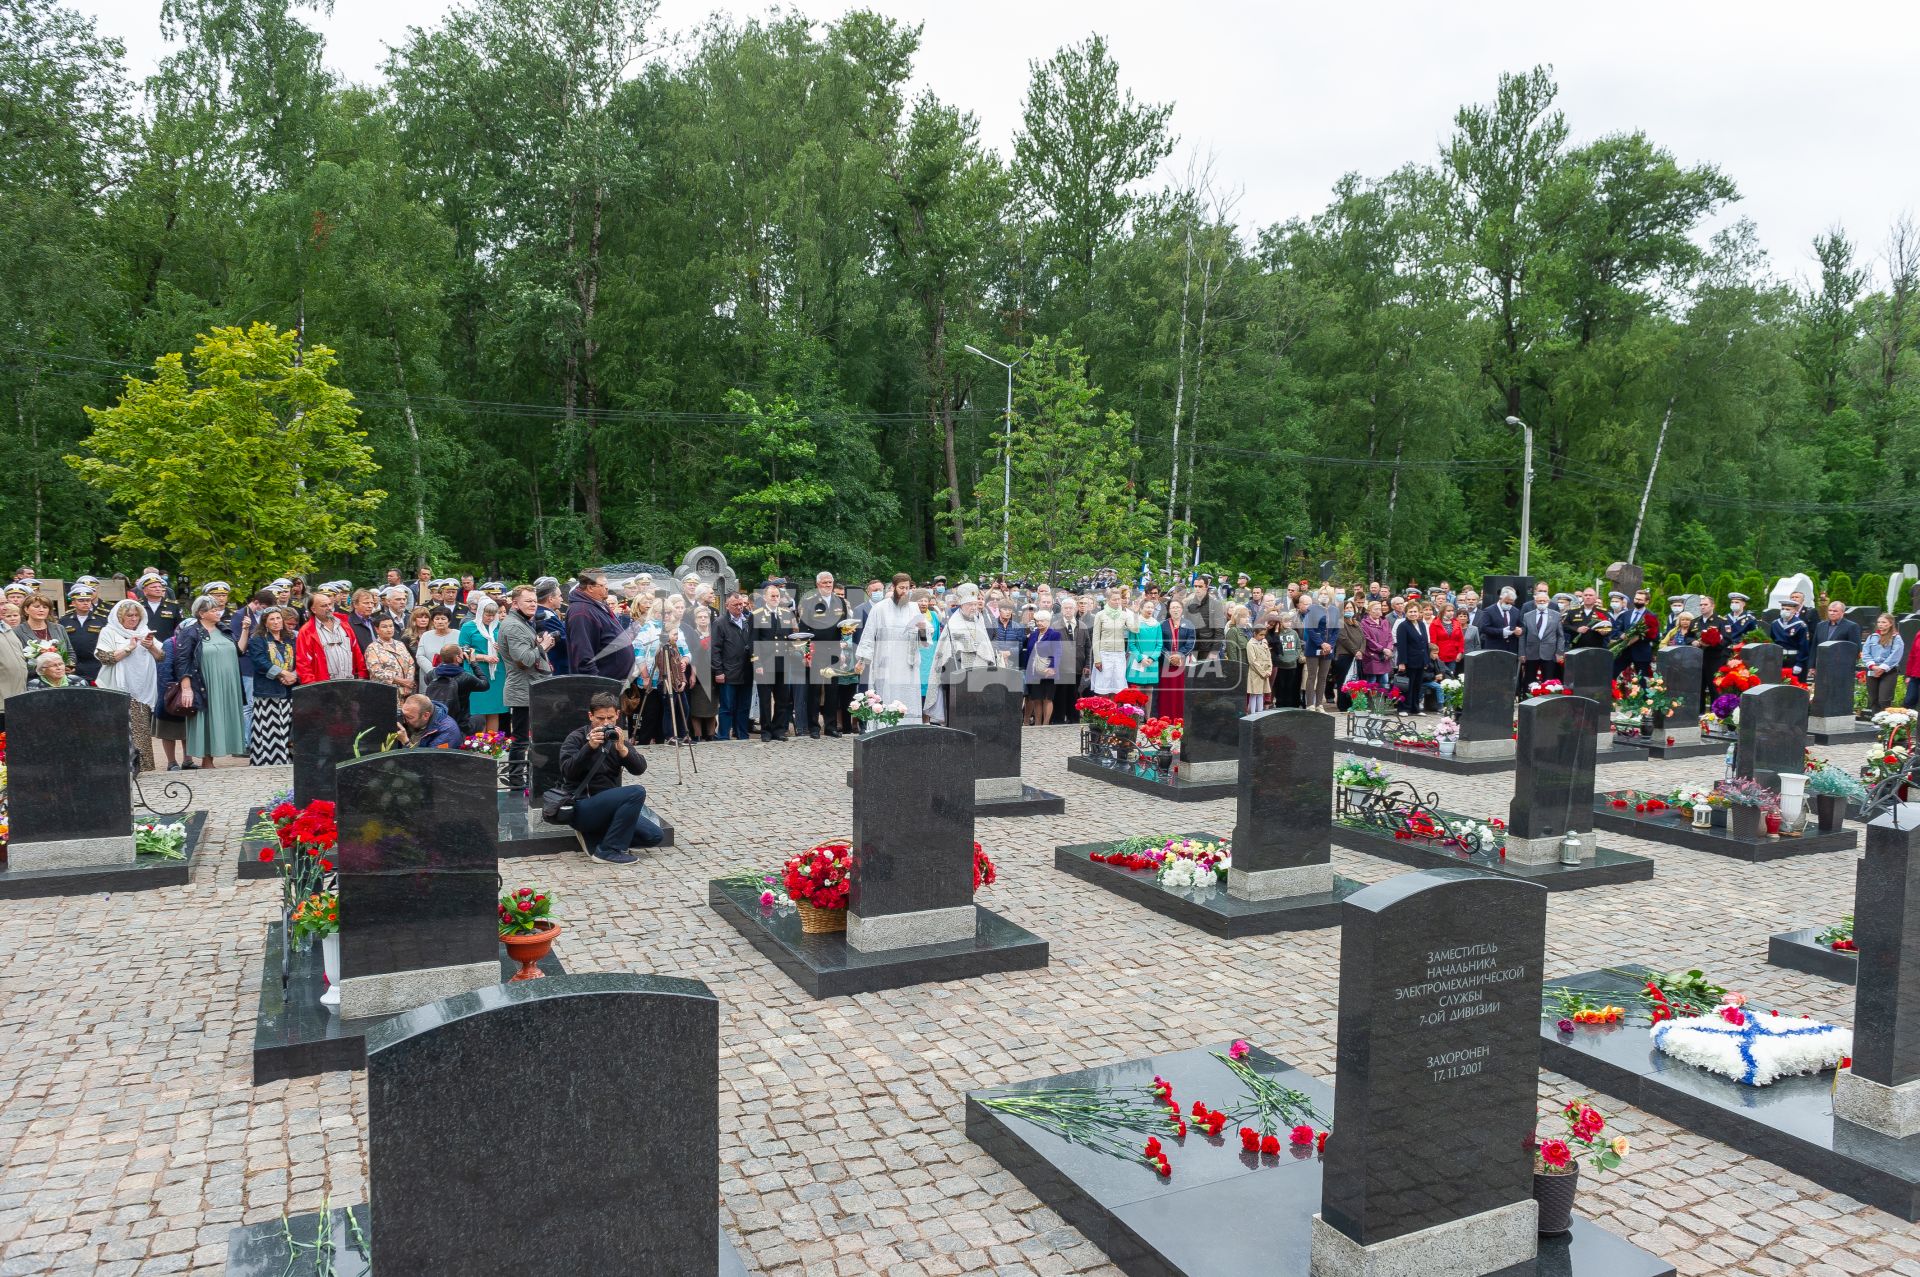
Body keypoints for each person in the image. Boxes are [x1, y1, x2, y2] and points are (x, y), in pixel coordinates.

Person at [557, 692, 662, 865]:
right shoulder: (576, 738)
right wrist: (589, 747)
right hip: (583, 805)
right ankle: (608, 850)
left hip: (610, 807)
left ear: (618, 715)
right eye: (600, 718)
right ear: (590, 716)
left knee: (654, 835)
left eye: (610, 718)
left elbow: (640, 769)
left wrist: (622, 749)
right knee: (636, 792)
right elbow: (568, 772)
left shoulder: (616, 737)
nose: (606, 723)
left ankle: (601, 838)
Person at [174, 594, 246, 768]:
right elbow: (182, 661)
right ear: (201, 613)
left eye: (218, 609)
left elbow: (239, 651)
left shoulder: (224, 629)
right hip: (205, 683)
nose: (218, 612)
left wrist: (245, 630)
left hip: (228, 684)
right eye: (213, 610)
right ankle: (207, 759)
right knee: (208, 718)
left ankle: (219, 754)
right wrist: (186, 688)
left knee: (224, 717)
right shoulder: (190, 632)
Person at [94, 599, 164, 769]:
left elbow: (161, 656)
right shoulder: (109, 632)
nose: (134, 619)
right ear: (119, 617)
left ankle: (144, 767)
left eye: (136, 616)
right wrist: (128, 648)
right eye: (129, 616)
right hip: (118, 689)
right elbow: (105, 658)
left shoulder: (145, 631)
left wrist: (151, 647)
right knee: (120, 729)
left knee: (141, 729)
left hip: (142, 689)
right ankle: (121, 768)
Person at [854, 574, 932, 724]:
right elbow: (869, 634)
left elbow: (926, 637)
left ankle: (908, 728)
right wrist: (862, 660)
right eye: (901, 588)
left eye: (907, 588)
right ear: (893, 588)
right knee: (886, 697)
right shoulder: (879, 608)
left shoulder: (914, 608)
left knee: (907, 698)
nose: (904, 591)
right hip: (886, 663)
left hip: (907, 665)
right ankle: (884, 729)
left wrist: (922, 629)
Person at [500, 584, 554, 785]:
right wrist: (543, 646)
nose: (533, 605)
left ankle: (523, 775)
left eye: (534, 601)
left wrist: (539, 645)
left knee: (526, 737)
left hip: (530, 687)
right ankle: (515, 779)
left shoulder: (521, 621)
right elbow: (523, 660)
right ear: (515, 603)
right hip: (523, 689)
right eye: (528, 601)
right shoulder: (514, 625)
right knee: (521, 738)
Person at [797, 571, 852, 738]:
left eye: (830, 582)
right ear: (818, 584)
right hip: (815, 650)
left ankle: (831, 726)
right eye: (825, 583)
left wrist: (843, 649)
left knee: (832, 691)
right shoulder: (809, 603)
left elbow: (844, 628)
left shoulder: (841, 602)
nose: (828, 585)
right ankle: (813, 727)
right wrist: (806, 653)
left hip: (834, 650)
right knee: (814, 690)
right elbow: (803, 630)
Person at [245, 605, 298, 766]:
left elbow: (300, 658)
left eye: (278, 618)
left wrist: (293, 675)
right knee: (270, 730)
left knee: (288, 728)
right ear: (265, 623)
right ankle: (269, 761)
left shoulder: (291, 638)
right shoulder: (258, 639)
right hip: (268, 691)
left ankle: (288, 758)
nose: (276, 622)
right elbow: (260, 662)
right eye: (272, 619)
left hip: (290, 690)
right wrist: (282, 674)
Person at [566, 569, 634, 683]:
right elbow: (583, 655)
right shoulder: (581, 612)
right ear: (590, 587)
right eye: (603, 585)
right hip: (601, 688)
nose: (607, 587)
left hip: (613, 683)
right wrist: (596, 688)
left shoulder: (598, 605)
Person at [295, 590, 367, 684]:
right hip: (324, 686)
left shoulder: (345, 624)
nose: (329, 608)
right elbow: (303, 663)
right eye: (324, 606)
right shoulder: (306, 631)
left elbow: (356, 652)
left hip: (349, 682)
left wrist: (362, 675)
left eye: (330, 604)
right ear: (313, 609)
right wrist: (311, 687)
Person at [711, 591, 755, 740]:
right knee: (727, 707)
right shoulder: (720, 623)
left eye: (741, 604)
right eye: (735, 604)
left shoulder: (749, 620)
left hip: (747, 670)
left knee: (744, 706)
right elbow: (715, 649)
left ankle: (742, 734)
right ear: (727, 605)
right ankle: (723, 735)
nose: (739, 607)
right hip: (728, 671)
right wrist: (718, 671)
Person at [460, 594, 506, 733]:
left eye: (493, 615)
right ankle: (479, 745)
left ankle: (493, 744)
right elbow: (464, 651)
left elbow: (509, 649)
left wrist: (502, 648)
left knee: (494, 709)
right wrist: (485, 657)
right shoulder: (469, 627)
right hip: (476, 672)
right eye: (487, 615)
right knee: (478, 710)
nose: (490, 618)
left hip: (497, 673)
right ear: (480, 612)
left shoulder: (501, 626)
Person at [1088, 586, 1137, 696]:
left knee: (1118, 688)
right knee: (1103, 689)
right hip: (1104, 655)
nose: (1117, 602)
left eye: (1119, 599)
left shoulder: (1124, 615)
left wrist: (1135, 614)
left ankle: (1115, 713)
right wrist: (1097, 659)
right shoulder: (1100, 615)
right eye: (1114, 599)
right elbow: (1095, 638)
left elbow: (1135, 629)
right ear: (1108, 600)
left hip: (1119, 655)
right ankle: (1102, 712)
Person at [425, 645, 488, 727]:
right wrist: (473, 662)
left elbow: (447, 670)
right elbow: (485, 685)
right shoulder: (466, 677)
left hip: (437, 720)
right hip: (461, 723)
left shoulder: (431, 675)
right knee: (480, 718)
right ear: (458, 658)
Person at [363, 613, 417, 699]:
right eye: (384, 627)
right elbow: (376, 671)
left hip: (407, 691)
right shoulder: (373, 648)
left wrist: (408, 682)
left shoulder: (400, 644)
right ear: (377, 629)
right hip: (386, 692)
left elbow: (411, 663)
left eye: (391, 626)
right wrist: (401, 681)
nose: (389, 629)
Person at [1125, 594, 1163, 715]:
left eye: (1152, 607)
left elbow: (1159, 645)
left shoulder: (1157, 625)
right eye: (1147, 607)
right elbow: (1131, 644)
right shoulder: (1135, 624)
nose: (1150, 609)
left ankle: (1147, 717)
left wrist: (1152, 658)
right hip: (1137, 660)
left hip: (1151, 662)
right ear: (1141, 609)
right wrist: (1141, 658)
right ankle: (1135, 717)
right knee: (1136, 690)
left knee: (1149, 691)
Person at [60, 584, 107, 681]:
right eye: (81, 600)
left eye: (88, 600)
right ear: (73, 602)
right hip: (72, 666)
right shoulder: (64, 620)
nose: (85, 603)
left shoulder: (102, 620)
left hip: (95, 665)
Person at [1022, 608, 1061, 726]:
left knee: (1047, 698)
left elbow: (1057, 652)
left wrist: (1053, 667)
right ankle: (1038, 724)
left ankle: (1045, 724)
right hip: (1034, 671)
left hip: (1048, 670)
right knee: (1036, 698)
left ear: (1048, 621)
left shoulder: (1054, 634)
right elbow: (1028, 651)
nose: (1039, 623)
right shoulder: (1033, 635)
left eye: (1042, 621)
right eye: (1037, 621)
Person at [1394, 600, 1433, 714]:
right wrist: (1401, 662)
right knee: (1406, 686)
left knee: (1417, 685)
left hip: (1421, 660)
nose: (1413, 614)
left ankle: (1415, 708)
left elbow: (1425, 643)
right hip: (1408, 661)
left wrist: (1426, 660)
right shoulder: (1403, 626)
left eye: (1415, 611)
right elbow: (1401, 645)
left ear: (1419, 612)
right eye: (1410, 612)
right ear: (1406, 613)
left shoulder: (1421, 624)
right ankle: (1403, 708)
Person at [15, 593, 73, 668]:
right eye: (37, 607)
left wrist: (69, 665)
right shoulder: (17, 632)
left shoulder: (59, 628)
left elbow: (70, 652)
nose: (41, 610)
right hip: (33, 677)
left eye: (45, 607)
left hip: (60, 675)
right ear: (26, 609)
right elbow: (17, 660)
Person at [1301, 587, 1335, 711]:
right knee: (1312, 676)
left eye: (1326, 594)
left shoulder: (1334, 610)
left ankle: (1319, 704)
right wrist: (1321, 643)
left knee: (1323, 677)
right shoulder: (1312, 609)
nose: (1323, 595)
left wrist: (1329, 644)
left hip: (1328, 649)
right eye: (1321, 593)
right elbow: (1310, 629)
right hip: (1313, 647)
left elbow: (1335, 631)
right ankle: (1310, 704)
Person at [1863, 614, 1904, 712]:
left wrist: (1882, 668)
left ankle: (1884, 722)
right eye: (1879, 622)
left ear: (1890, 624)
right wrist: (1872, 666)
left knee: (1884, 699)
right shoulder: (1872, 637)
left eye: (1884, 622)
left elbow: (1895, 655)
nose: (1880, 624)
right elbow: (1865, 652)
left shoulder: (1896, 638)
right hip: (1873, 669)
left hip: (1888, 671)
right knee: (1873, 699)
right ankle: (1876, 722)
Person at [397, 691, 463, 749]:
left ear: (426, 715)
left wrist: (406, 742)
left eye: (410, 717)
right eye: (404, 715)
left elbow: (430, 760)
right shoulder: (415, 716)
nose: (405, 720)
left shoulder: (447, 731)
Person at [1332, 599, 1365, 710]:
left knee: (1355, 682)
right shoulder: (1340, 623)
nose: (1349, 610)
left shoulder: (1358, 623)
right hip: (1345, 656)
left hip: (1358, 657)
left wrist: (1361, 651)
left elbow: (1363, 639)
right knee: (1344, 681)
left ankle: (1353, 704)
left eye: (1351, 608)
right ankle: (1343, 705)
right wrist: (1355, 651)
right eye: (1347, 608)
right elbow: (1343, 639)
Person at [1770, 598, 1812, 680]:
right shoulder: (1775, 623)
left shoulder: (1800, 625)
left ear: (1795, 611)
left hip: (1793, 658)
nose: (1784, 611)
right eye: (1782, 609)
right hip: (1778, 657)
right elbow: (1772, 640)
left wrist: (1799, 663)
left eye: (1788, 609)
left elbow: (1804, 646)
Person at [135, 572, 181, 641]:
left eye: (160, 587)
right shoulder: (137, 606)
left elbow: (180, 627)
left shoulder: (173, 605)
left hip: (166, 646)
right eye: (154, 587)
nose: (158, 589)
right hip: (142, 644)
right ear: (144, 591)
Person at [1429, 602, 1466, 678]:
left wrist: (1460, 652)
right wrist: (1436, 655)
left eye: (1452, 611)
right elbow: (1433, 642)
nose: (1451, 613)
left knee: (1451, 677)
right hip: (1440, 657)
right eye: (1448, 611)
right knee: (1442, 677)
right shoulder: (1435, 624)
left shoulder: (1457, 623)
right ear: (1442, 611)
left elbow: (1461, 639)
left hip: (1453, 656)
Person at [1246, 613, 1274, 712]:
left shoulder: (1264, 642)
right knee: (1254, 694)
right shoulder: (1250, 644)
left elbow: (1269, 657)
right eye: (1260, 635)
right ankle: (1252, 713)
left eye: (1264, 635)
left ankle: (1260, 712)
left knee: (1261, 693)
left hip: (1265, 673)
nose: (1262, 637)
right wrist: (1263, 672)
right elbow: (1252, 661)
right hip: (1256, 673)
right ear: (1254, 634)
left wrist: (1269, 670)